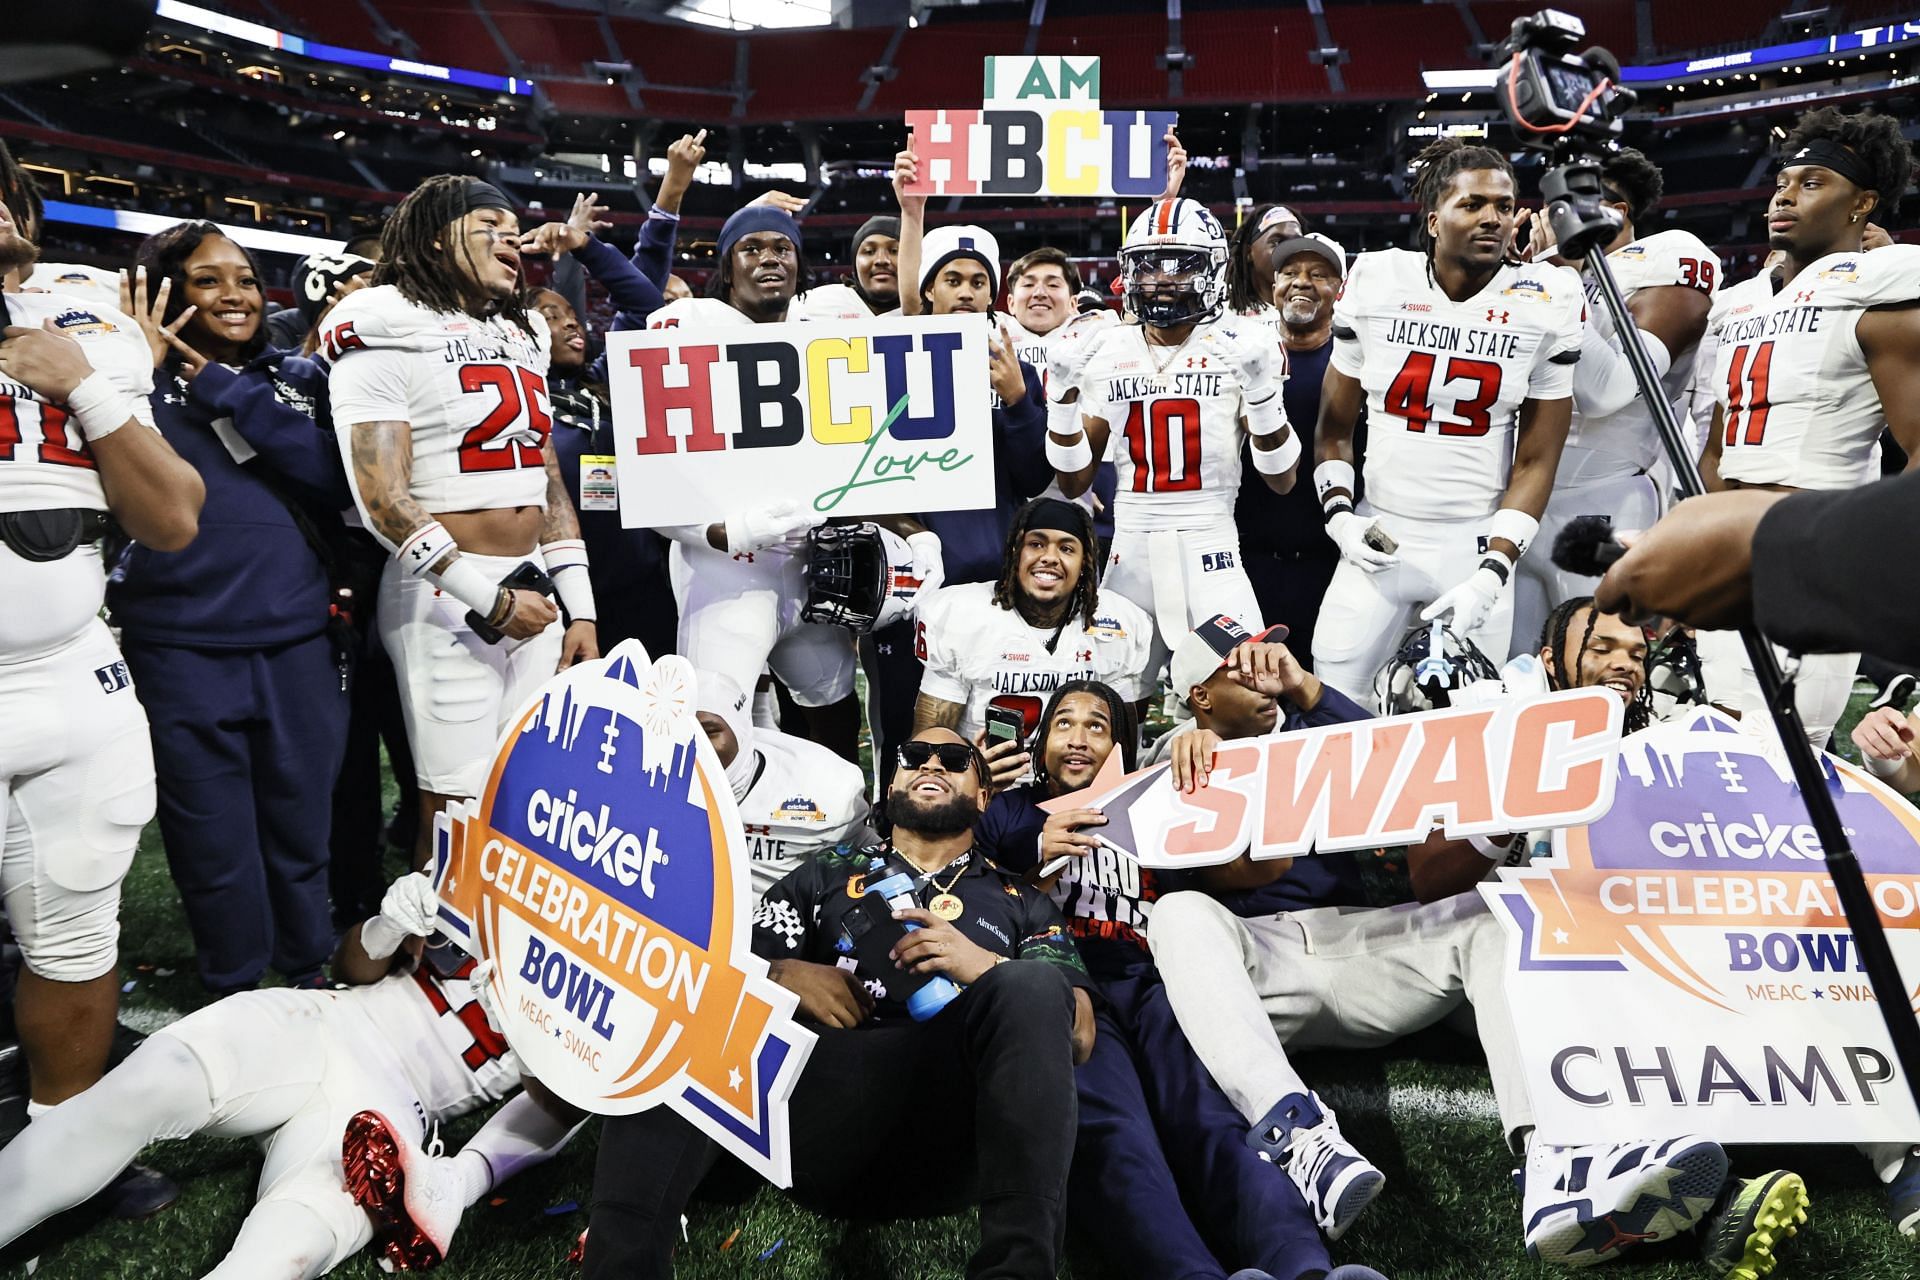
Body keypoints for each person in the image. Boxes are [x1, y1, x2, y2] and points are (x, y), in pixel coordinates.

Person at [1145, 635, 1733, 1267]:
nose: (1265, 681)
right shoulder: (1170, 756)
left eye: (1268, 664)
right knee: (1177, 915)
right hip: (1258, 962)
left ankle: (1555, 1162)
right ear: (1199, 696)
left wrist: (1309, 689)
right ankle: (1301, 1139)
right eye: (1244, 672)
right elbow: (1232, 868)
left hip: (1360, 943)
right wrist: (1192, 753)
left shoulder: (1311, 733)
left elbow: (1400, 773)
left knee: (1494, 913)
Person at [584, 727, 1096, 1280]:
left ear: (983, 796)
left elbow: (1081, 1033)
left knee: (1034, 985)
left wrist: (981, 965)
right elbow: (715, 977)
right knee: (701, 997)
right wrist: (782, 974)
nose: (931, 765)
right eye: (913, 755)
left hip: (951, 1124)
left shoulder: (1021, 902)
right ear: (893, 779)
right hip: (812, 1111)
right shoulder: (824, 872)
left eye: (953, 759)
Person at [976, 673, 1377, 1280]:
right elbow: (967, 901)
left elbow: (1263, 867)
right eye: (1064, 723)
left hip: (1155, 979)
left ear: (1123, 748)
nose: (1079, 738)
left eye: (1097, 725)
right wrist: (1033, 860)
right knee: (1117, 1137)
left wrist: (1210, 750)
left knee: (1214, 1116)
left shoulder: (1156, 797)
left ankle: (1302, 1267)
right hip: (1069, 990)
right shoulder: (1011, 811)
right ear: (1040, 744)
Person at [0, 870, 583, 1277]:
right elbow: (351, 967)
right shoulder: (500, 855)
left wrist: (461, 1179)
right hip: (326, 1019)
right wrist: (385, 926)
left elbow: (565, 1106)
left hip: (389, 1107)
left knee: (290, 1251)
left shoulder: (625, 954)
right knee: (154, 1078)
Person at [0, 138, 203, 1214]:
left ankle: (59, 1161)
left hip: (69, 671)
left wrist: (83, 385)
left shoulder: (84, 324)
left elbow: (171, 516)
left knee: (78, 927)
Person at [320, 174, 599, 871]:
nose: (511, 243)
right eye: (490, 228)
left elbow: (547, 478)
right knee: (453, 809)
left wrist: (581, 609)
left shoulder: (518, 330)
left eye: (515, 231)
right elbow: (381, 496)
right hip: (447, 596)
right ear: (439, 236)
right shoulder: (383, 318)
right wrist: (491, 599)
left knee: (531, 795)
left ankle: (505, 951)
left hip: (532, 589)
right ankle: (439, 956)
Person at [107, 220, 351, 995]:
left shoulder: (295, 379)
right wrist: (130, 371)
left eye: (244, 278)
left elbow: (332, 478)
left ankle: (306, 966)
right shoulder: (121, 383)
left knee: (300, 823)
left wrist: (230, 392)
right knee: (211, 838)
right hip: (177, 644)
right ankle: (234, 984)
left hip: (297, 640)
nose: (236, 294)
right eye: (209, 279)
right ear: (167, 291)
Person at [1309, 137, 1582, 706]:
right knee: (1333, 698)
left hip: (1474, 541)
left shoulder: (1547, 297)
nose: (1493, 218)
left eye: (1505, 206)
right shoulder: (1378, 280)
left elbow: (1536, 458)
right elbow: (1334, 430)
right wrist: (1339, 519)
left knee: (1468, 718)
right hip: (1381, 530)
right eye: (1473, 204)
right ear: (1434, 221)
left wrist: (1493, 570)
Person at [1691, 107, 1920, 750]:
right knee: (1712, 744)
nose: (1786, 195)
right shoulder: (1735, 301)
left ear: (1863, 203)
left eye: (1814, 182)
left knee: (1791, 762)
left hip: (1820, 554)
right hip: (1727, 552)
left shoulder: (1881, 289)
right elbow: (1714, 444)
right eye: (1783, 182)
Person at [646, 202, 874, 759]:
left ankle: (833, 837)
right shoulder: (691, 328)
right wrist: (726, 531)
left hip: (812, 567)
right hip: (726, 568)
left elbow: (867, 459)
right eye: (753, 248)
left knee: (836, 711)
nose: (769, 258)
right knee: (710, 728)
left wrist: (908, 530)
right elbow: (650, 478)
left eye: (782, 248)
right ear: (726, 267)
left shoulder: (822, 336)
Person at [1046, 196, 1301, 672]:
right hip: (1128, 554)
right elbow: (1073, 483)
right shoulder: (1108, 343)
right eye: (1147, 267)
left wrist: (1264, 394)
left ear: (1213, 271)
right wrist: (1060, 402)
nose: (1161, 281)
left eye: (1180, 267)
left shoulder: (1244, 341)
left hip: (1213, 551)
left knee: (1243, 692)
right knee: (1110, 702)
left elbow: (1282, 478)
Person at [1511, 148, 1718, 657]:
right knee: (1517, 664)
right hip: (1528, 494)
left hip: (1605, 497)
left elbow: (1608, 390)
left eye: (1557, 209)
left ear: (1616, 212)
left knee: (1596, 659)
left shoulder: (1665, 258)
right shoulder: (1558, 274)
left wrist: (1557, 276)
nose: (1543, 220)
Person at [518, 194, 677, 661]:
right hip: (558, 592)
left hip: (643, 584)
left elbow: (645, 303)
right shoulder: (516, 395)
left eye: (572, 316)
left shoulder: (607, 378)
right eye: (551, 316)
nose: (571, 324)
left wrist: (584, 245)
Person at [913, 496, 1153, 745]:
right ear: (1015, 552)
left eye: (1067, 548)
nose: (1050, 557)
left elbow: (1120, 750)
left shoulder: (1116, 622)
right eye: (1036, 544)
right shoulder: (960, 616)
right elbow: (930, 747)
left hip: (1075, 779)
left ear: (1085, 563)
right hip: (984, 775)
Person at [1232, 231, 1357, 663]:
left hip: (1330, 559)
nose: (1301, 282)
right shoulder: (1242, 356)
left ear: (1341, 291)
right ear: (1272, 287)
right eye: (1290, 272)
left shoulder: (1359, 362)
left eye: (1319, 274)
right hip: (1251, 558)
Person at [694, 669, 871, 896]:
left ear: (741, 730)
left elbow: (866, 860)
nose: (694, 742)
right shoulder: (640, 782)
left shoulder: (826, 787)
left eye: (709, 732)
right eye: (681, 729)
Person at [797, 214, 901, 319]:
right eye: (869, 251)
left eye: (894, 251)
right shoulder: (814, 304)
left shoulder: (917, 311)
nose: (881, 260)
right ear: (855, 264)